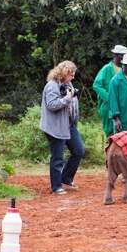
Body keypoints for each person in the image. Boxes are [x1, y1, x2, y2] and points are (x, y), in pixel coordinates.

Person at [39, 60, 85, 195]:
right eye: (71, 74)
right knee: (57, 157)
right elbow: (52, 105)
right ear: (64, 73)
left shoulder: (67, 83)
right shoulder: (51, 86)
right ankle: (56, 186)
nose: (73, 77)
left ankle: (66, 177)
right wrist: (67, 98)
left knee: (79, 150)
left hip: (68, 124)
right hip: (54, 127)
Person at [92, 45, 127, 137]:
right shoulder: (107, 69)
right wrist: (110, 98)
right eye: (122, 56)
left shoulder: (126, 70)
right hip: (108, 107)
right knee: (111, 134)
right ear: (116, 55)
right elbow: (96, 85)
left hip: (123, 107)